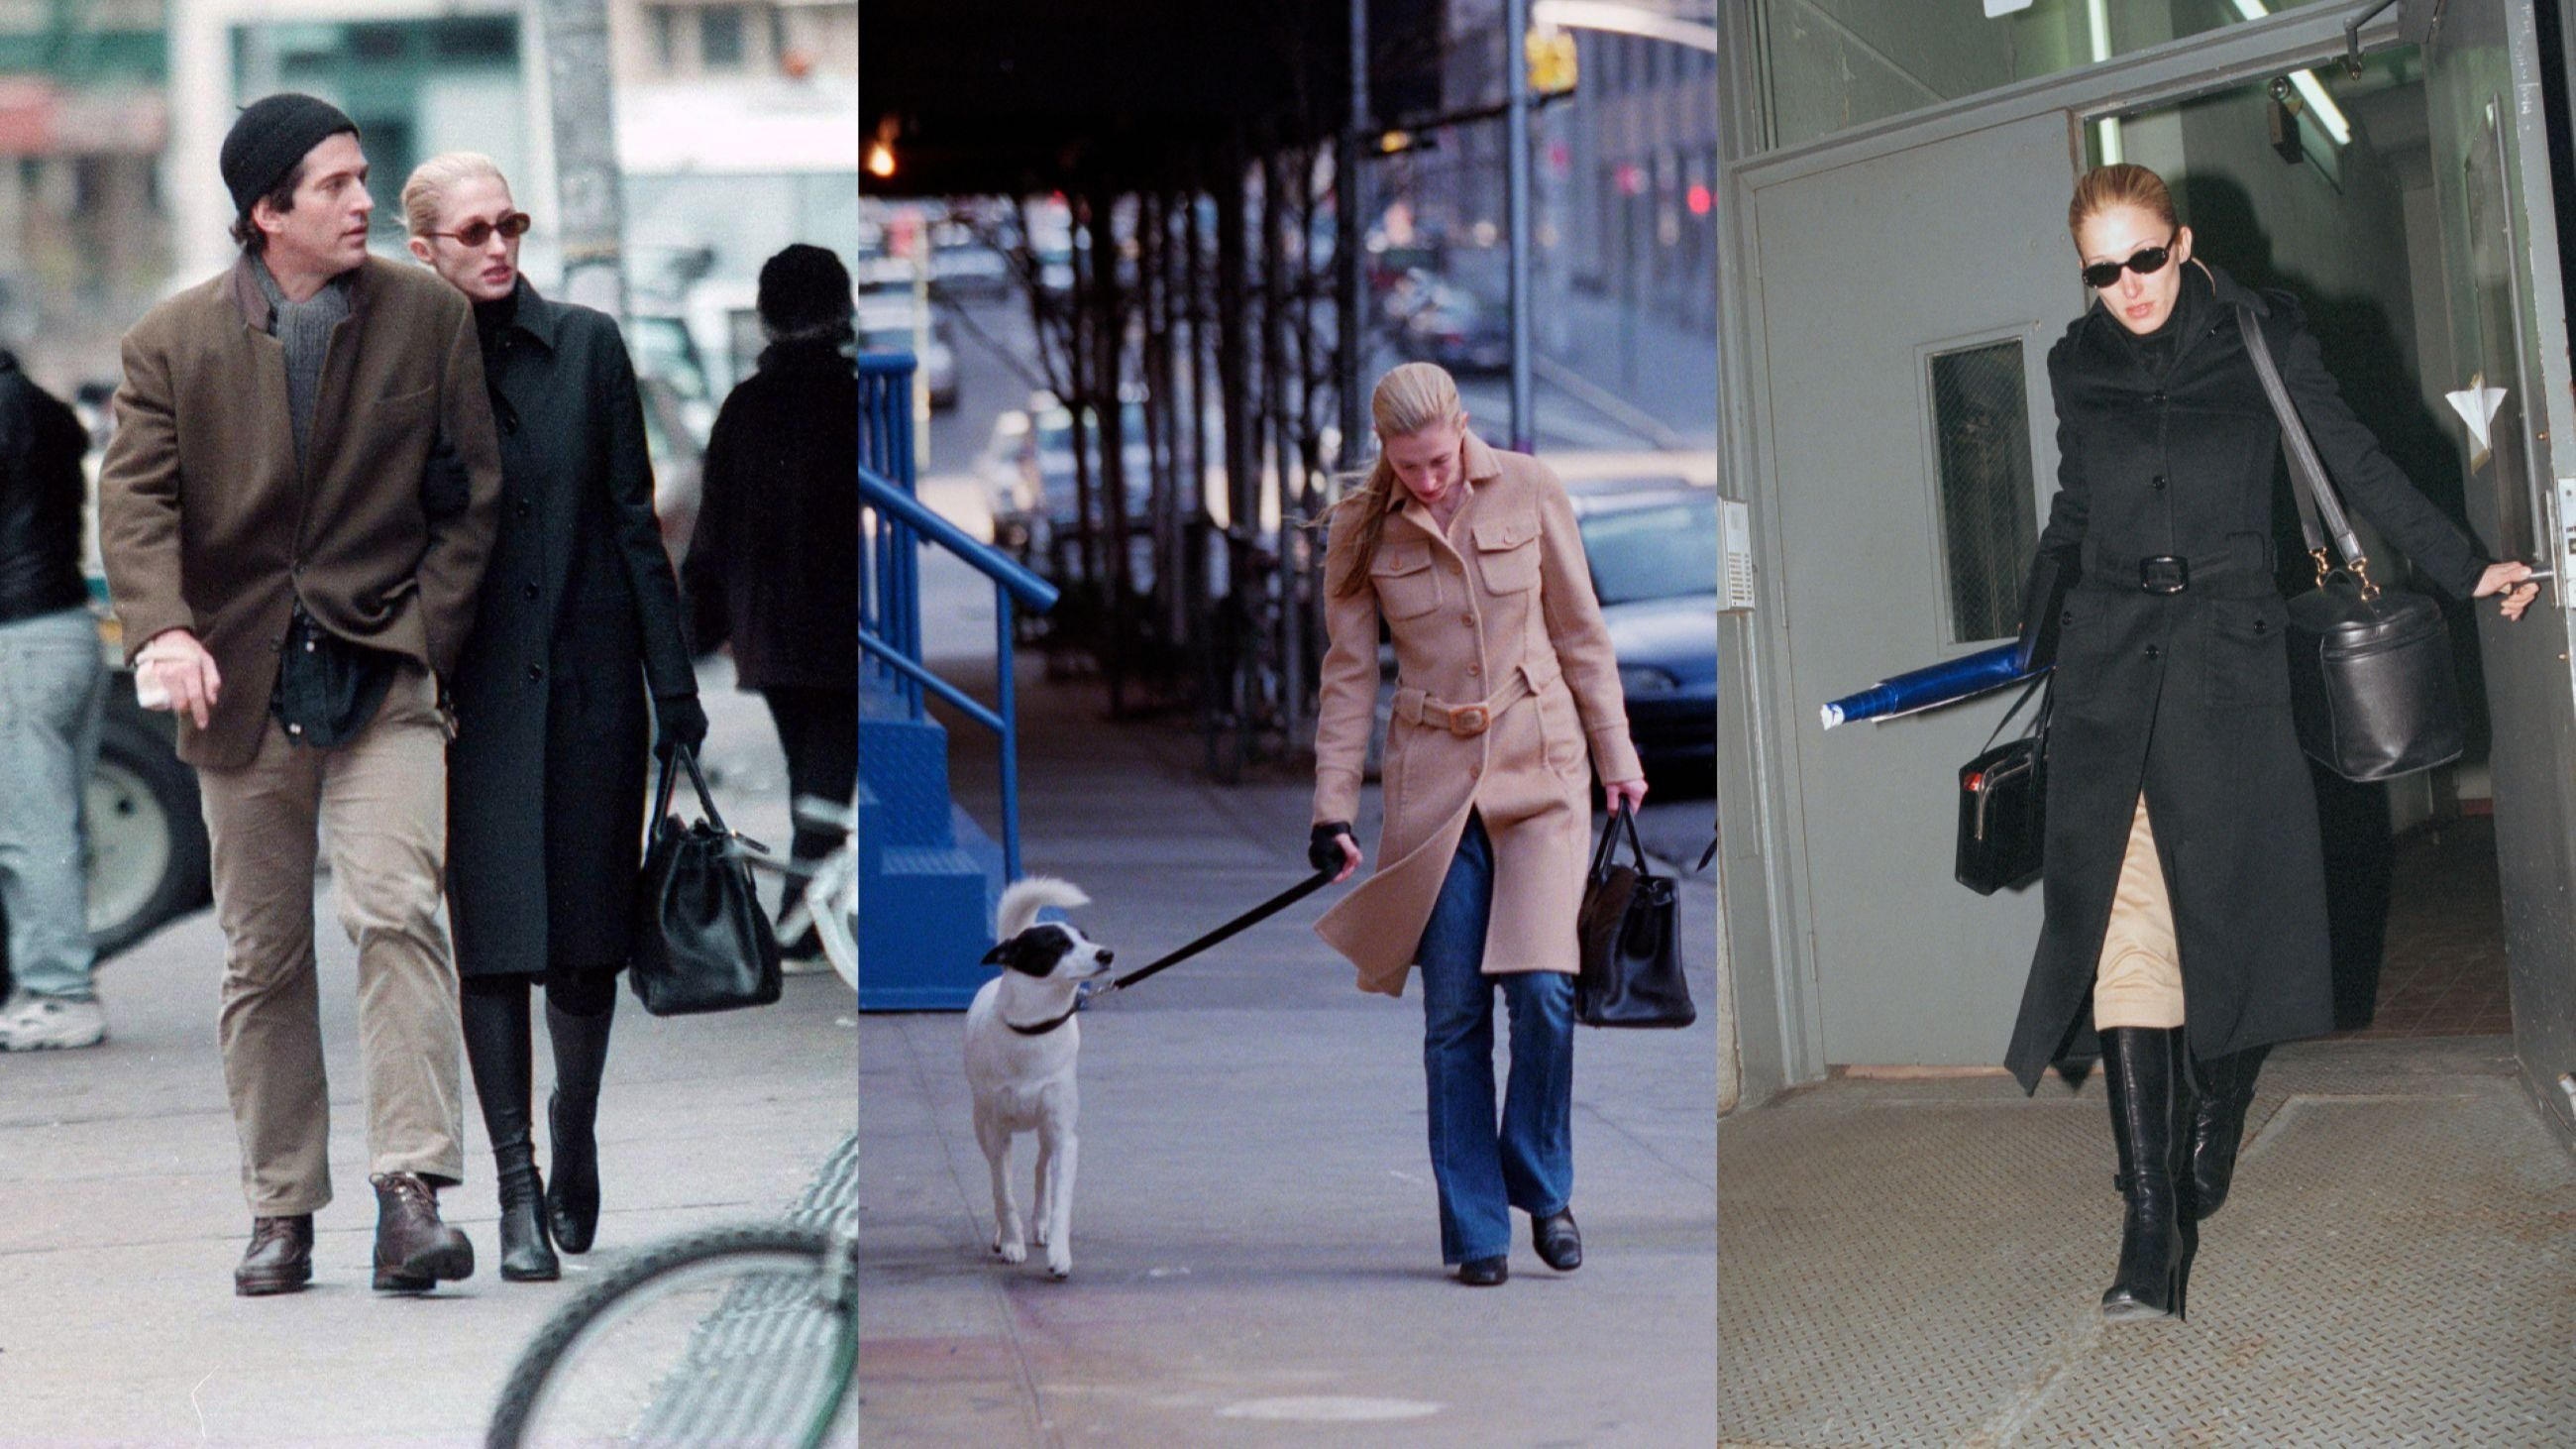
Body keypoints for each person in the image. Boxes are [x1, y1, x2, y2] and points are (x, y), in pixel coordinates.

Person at [2014, 163, 2536, 1322]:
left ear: (2182, 242)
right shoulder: (2076, 364)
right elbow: (2074, 512)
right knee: (2125, 934)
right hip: (2107, 676)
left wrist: (2462, 564)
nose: (2127, 288)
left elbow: (2352, 465)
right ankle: (2148, 1226)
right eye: (2100, 271)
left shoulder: (2256, 336)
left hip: (2225, 668)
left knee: (2229, 922)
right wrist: (2028, 637)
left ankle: (2218, 1092)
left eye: (2143, 259)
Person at [97, 94, 504, 1296]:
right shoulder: (169, 343)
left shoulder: (426, 316)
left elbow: (469, 496)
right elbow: (135, 503)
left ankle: (412, 1193)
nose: (363, 201)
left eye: (364, 178)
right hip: (240, 674)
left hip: (382, 664)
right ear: (265, 210)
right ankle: (282, 1207)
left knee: (395, 912)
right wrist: (164, 625)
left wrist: (426, 633)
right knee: (262, 956)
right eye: (333, 185)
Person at [402, 154, 705, 1281]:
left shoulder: (586, 346)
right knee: (493, 948)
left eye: (510, 224)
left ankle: (574, 1119)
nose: (496, 246)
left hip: (591, 685)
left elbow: (635, 522)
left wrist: (673, 692)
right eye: (471, 231)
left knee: (585, 946)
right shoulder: (405, 368)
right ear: (422, 249)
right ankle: (518, 1187)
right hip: (469, 696)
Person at [1307, 361, 1648, 1286]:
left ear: (1462, 427)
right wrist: (1331, 806)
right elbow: (1347, 681)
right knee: (1455, 1015)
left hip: (1542, 773)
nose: (1429, 480)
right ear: (1383, 452)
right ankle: (1476, 1229)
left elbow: (1581, 633)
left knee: (1542, 993)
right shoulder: (1361, 529)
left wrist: (1618, 756)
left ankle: (1541, 1185)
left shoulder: (1531, 488)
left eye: (1439, 459)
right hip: (1433, 793)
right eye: (1408, 466)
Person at [682, 244, 858, 963]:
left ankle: (805, 917)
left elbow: (712, 528)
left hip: (771, 629)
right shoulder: (857, 397)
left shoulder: (745, 407)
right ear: (844, 310)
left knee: (810, 767)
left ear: (763, 317)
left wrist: (699, 631)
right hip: (847, 625)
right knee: (827, 771)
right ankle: (799, 922)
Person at [0, 348, 108, 1051]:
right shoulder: (42, 406)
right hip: (69, 629)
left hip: (20, 641)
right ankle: (51, 984)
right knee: (55, 823)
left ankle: (60, 991)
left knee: (29, 830)